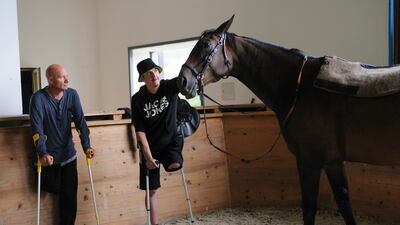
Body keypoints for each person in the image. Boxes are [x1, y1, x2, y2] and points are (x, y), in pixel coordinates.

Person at [30, 64, 95, 225]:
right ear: (50, 79)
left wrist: (86, 146)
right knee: (50, 189)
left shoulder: (72, 95)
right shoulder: (38, 98)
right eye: (61, 77)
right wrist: (42, 153)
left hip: (68, 156)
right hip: (49, 157)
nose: (67, 80)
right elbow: (36, 128)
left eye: (67, 75)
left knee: (69, 199)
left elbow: (81, 122)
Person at [131, 58, 184, 225]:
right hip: (150, 147)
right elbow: (140, 131)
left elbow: (189, 77)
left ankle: (170, 160)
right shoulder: (137, 99)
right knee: (151, 190)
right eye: (148, 74)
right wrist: (147, 156)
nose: (154, 75)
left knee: (174, 165)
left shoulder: (170, 86)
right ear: (143, 79)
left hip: (170, 143)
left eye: (155, 70)